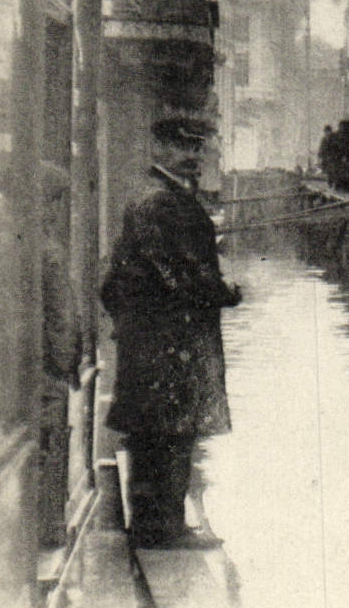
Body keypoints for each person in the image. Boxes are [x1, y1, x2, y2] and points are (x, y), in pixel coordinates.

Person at [99, 116, 242, 549]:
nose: (193, 156)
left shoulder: (164, 196)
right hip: (168, 339)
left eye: (197, 148)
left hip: (160, 338)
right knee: (168, 432)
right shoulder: (160, 202)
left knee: (162, 430)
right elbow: (176, 276)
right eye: (183, 147)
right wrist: (226, 292)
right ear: (158, 148)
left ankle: (160, 525)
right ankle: (162, 530)